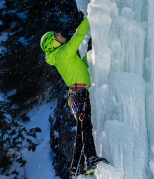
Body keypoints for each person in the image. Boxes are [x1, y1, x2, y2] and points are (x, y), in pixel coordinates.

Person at [40, 16, 108, 176]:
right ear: (52, 42)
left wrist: (89, 52)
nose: (60, 34)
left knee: (81, 128)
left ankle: (77, 166)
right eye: (56, 35)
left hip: (77, 93)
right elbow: (78, 36)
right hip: (79, 93)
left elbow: (81, 67)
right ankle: (89, 158)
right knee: (85, 126)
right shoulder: (63, 53)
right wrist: (90, 16)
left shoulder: (62, 56)